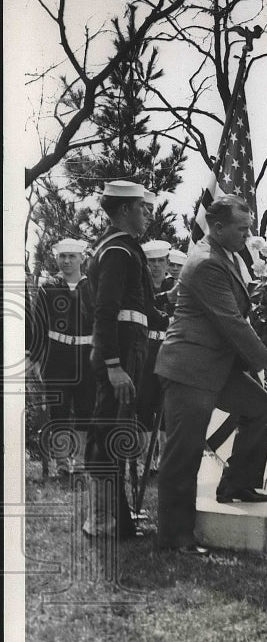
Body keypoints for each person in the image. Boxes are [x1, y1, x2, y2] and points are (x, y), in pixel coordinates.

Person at [155, 195, 267, 555]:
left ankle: (237, 484)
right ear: (218, 228)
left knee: (261, 407)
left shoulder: (225, 255)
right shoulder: (205, 263)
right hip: (190, 368)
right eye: (242, 228)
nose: (248, 234)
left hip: (216, 366)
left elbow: (236, 309)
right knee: (184, 452)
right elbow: (230, 321)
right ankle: (174, 535)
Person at [83, 181, 162, 538]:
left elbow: (144, 309)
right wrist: (113, 365)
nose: (148, 213)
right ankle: (101, 520)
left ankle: (117, 520)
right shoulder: (117, 250)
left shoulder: (126, 249)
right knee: (107, 433)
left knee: (113, 432)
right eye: (143, 207)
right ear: (125, 210)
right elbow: (105, 310)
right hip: (120, 355)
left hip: (130, 350)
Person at [28, 238, 96, 477]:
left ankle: (79, 459)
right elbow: (38, 324)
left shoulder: (93, 286)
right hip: (57, 356)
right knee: (59, 409)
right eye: (62, 257)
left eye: (72, 257)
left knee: (85, 407)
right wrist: (37, 360)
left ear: (82, 259)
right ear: (56, 258)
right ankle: (61, 462)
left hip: (87, 355)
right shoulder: (49, 286)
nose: (66, 261)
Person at [135, 238, 174, 473]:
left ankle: (165, 460)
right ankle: (144, 461)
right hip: (146, 349)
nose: (156, 266)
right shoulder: (139, 287)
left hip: (170, 350)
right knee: (144, 404)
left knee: (168, 407)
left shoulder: (178, 288)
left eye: (160, 261)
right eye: (151, 262)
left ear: (168, 263)